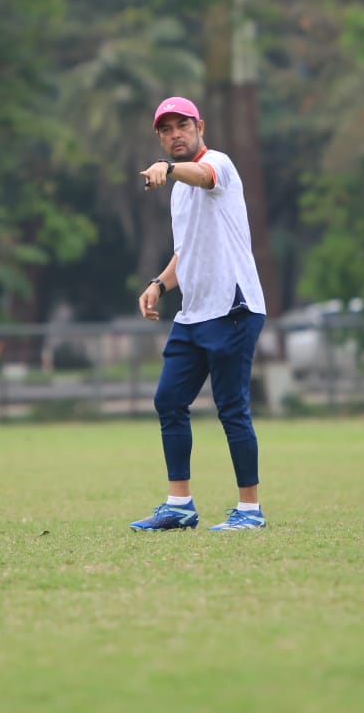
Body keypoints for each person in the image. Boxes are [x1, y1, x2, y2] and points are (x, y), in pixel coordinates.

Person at [130, 96, 268, 532]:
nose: (175, 135)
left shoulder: (219, 165)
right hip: (193, 314)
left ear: (199, 126)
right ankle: (180, 504)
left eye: (182, 126)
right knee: (168, 401)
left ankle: (250, 510)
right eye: (166, 130)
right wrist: (158, 284)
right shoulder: (179, 195)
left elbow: (203, 175)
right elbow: (185, 253)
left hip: (233, 308)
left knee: (232, 409)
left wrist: (168, 170)